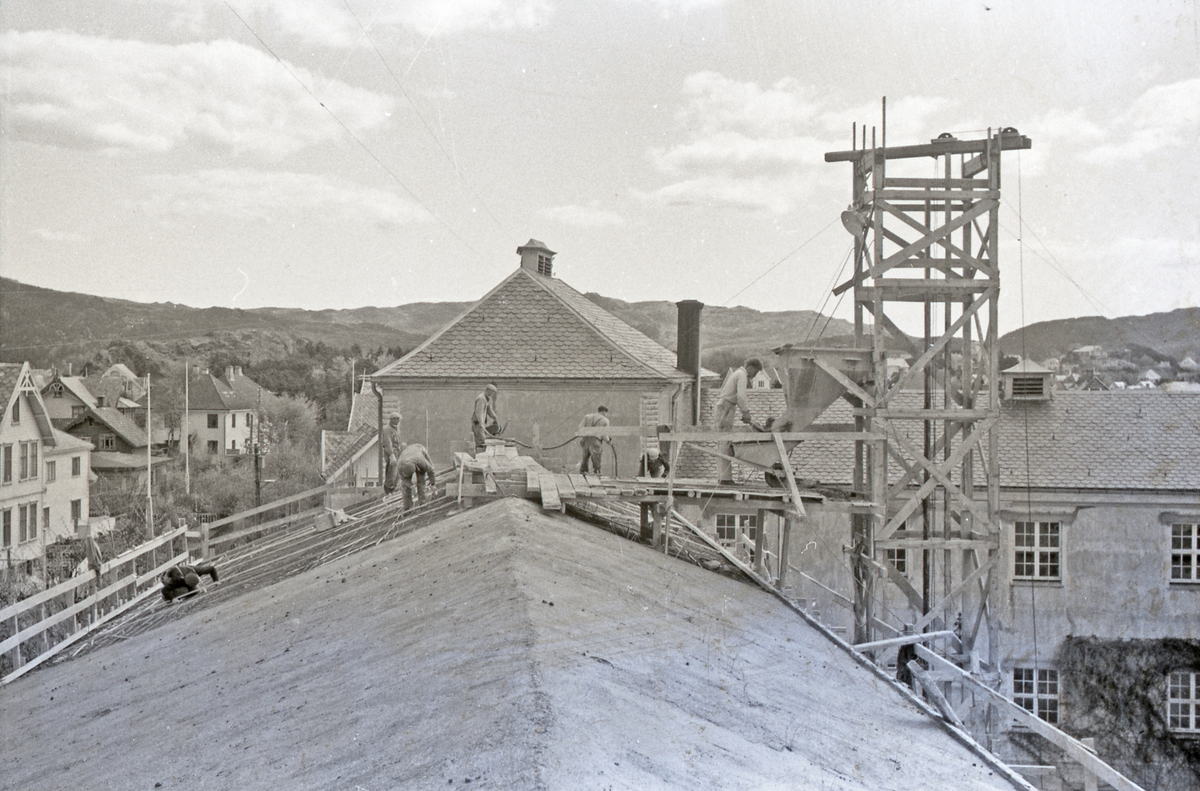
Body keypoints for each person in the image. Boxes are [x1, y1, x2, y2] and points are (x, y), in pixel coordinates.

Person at [714, 357, 763, 484]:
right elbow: (741, 396)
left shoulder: (738, 374)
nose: (754, 376)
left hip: (726, 406)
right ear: (751, 367)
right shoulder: (742, 375)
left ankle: (724, 477)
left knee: (723, 441)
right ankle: (725, 479)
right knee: (725, 441)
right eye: (756, 372)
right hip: (726, 407)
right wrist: (746, 413)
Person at [396, 442, 437, 511]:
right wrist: (411, 486)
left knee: (421, 480)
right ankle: (408, 508)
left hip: (420, 450)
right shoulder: (399, 466)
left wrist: (433, 484)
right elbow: (404, 479)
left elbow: (430, 470)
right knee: (404, 486)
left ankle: (423, 504)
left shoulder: (421, 461)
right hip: (409, 456)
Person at [578, 405, 610, 474]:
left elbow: (580, 427)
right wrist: (608, 441)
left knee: (585, 457)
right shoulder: (605, 420)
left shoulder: (587, 417)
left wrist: (585, 434)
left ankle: (583, 472)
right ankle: (597, 473)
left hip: (585, 439)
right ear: (604, 412)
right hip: (595, 440)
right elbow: (604, 435)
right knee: (596, 457)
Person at [471, 384, 500, 449]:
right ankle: (479, 452)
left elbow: (489, 409)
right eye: (493, 392)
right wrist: (481, 423)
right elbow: (479, 413)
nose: (493, 394)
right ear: (488, 390)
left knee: (482, 436)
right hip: (477, 422)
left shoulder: (486, 399)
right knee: (480, 437)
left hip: (480, 422)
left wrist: (494, 417)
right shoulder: (481, 398)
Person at [382, 412, 403, 494]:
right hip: (391, 453)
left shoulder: (396, 429)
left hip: (397, 452)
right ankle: (388, 490)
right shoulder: (387, 429)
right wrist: (391, 455)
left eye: (398, 419)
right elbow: (387, 443)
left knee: (396, 472)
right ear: (392, 419)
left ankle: (393, 489)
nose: (397, 421)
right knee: (391, 472)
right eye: (396, 419)